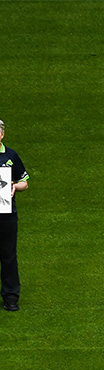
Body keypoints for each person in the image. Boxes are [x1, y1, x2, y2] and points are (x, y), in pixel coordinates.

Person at [0, 119, 30, 312]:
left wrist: (14, 187)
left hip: (6, 214)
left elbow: (24, 182)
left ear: (2, 134)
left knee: (8, 256)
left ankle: (11, 297)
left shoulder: (11, 156)